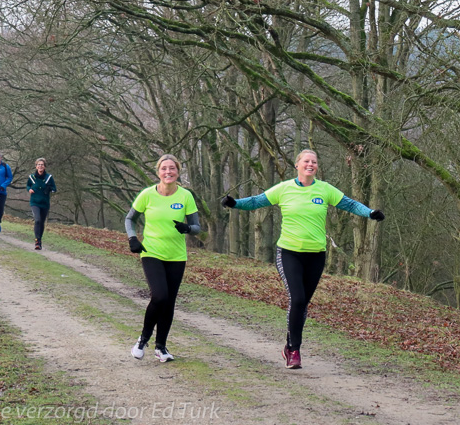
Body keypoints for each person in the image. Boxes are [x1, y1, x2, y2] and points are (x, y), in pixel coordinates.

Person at [222, 149, 385, 369]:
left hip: (316, 255)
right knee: (297, 299)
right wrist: (235, 204)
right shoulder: (284, 189)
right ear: (297, 165)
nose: (311, 164)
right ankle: (295, 350)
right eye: (306, 161)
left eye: (314, 162)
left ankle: (289, 345)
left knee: (303, 304)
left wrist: (370, 212)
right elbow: (256, 201)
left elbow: (349, 204)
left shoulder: (325, 190)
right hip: (289, 253)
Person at [126, 154, 201, 363]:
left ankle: (161, 347)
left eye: (172, 169)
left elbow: (196, 227)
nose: (168, 172)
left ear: (178, 172)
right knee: (159, 296)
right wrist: (133, 238)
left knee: (169, 302)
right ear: (158, 172)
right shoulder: (147, 195)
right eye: (164, 169)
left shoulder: (186, 196)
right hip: (151, 252)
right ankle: (143, 339)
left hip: (176, 256)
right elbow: (130, 218)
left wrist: (187, 228)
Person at [25, 158, 56, 250]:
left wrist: (49, 188)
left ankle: (40, 240)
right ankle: (37, 241)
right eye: (38, 164)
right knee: (37, 220)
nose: (40, 166)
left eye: (42, 165)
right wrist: (29, 189)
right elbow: (28, 185)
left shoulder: (49, 177)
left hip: (45, 203)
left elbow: (54, 188)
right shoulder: (31, 177)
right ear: (36, 166)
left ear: (45, 166)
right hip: (34, 202)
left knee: (41, 222)